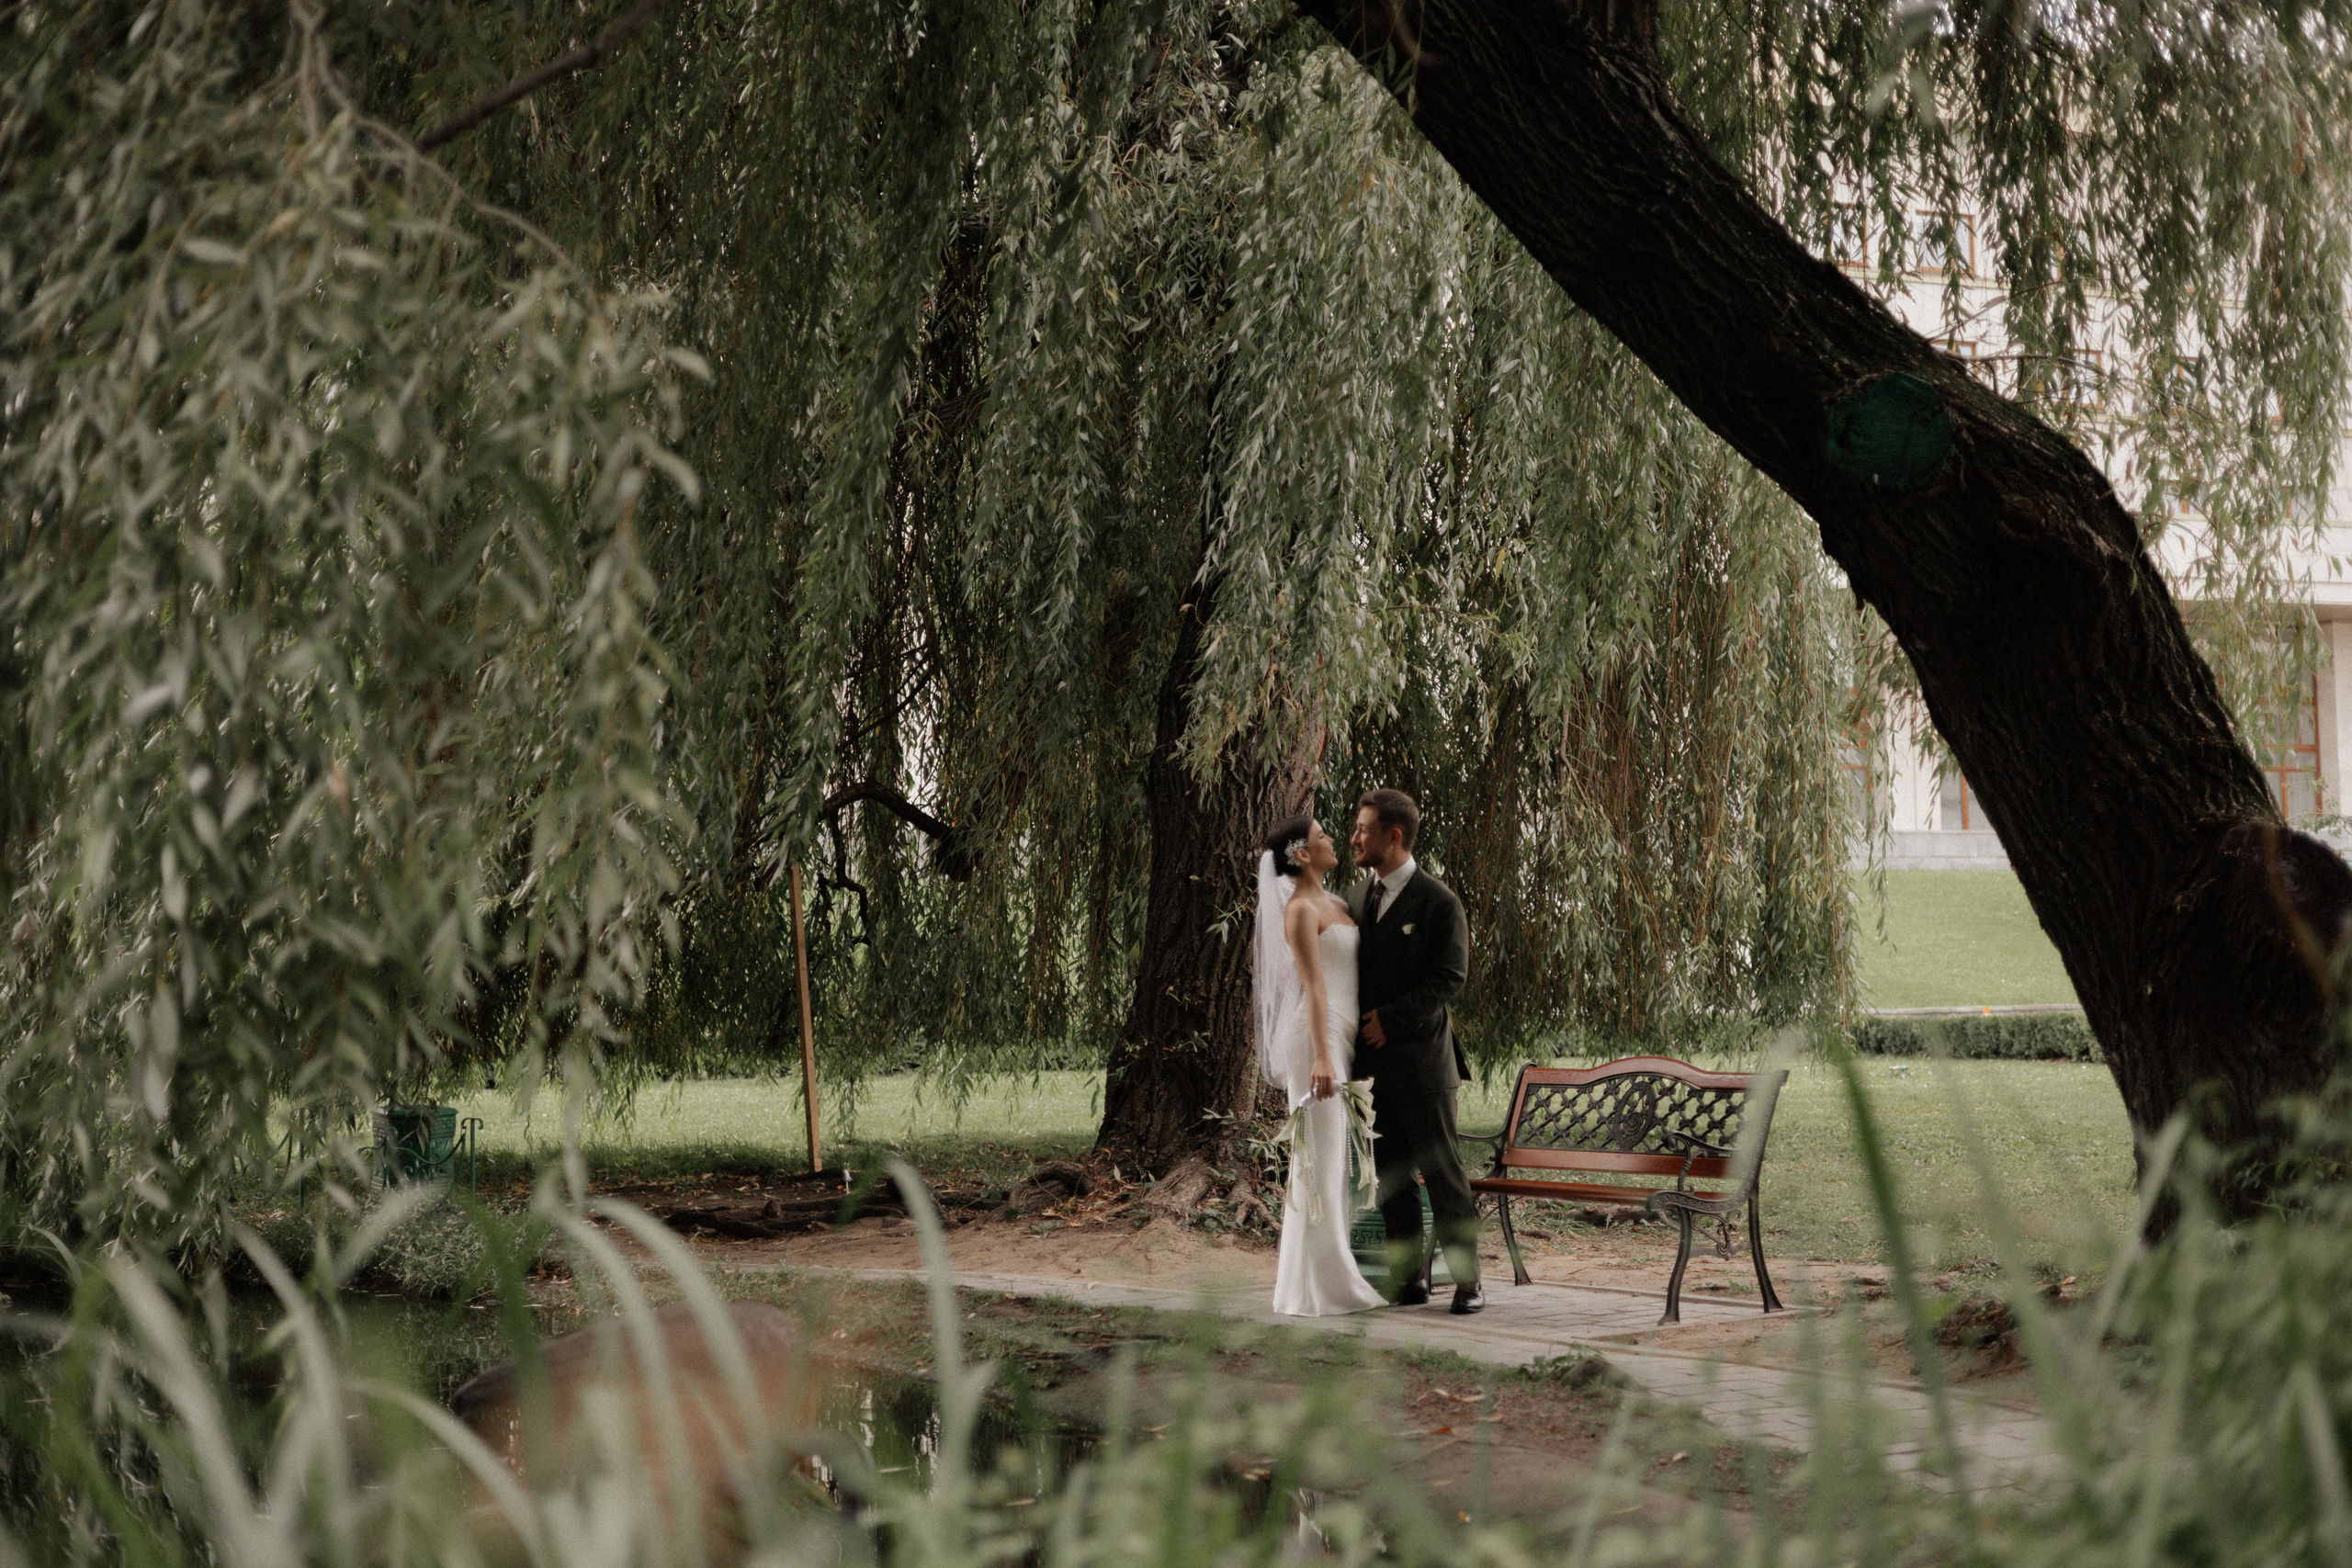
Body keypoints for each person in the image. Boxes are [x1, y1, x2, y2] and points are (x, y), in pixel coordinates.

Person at [1347, 788, 1484, 1314]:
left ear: (1394, 835)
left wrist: (1392, 1020)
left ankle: (1469, 1283)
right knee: (1392, 1176)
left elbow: (1450, 976)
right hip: (1372, 1069)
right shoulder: (1355, 898)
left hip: (1424, 1065)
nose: (1355, 838)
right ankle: (1409, 1280)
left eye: (1364, 829)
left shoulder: (1439, 902)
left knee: (1443, 1175)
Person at [1256, 814, 1387, 1317]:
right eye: (1322, 836)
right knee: (1318, 1162)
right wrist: (1321, 1057)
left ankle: (1313, 1284)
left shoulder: (1338, 903)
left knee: (1331, 1164)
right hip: (1317, 1041)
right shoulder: (1300, 910)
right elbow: (1313, 988)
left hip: (1342, 1038)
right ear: (1302, 854)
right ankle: (1325, 1288)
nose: (1334, 839)